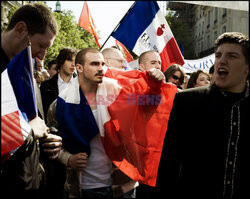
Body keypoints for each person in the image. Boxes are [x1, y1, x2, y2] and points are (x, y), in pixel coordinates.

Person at [55, 47, 167, 199]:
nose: (101, 68)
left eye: (102, 64)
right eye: (94, 64)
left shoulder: (118, 91)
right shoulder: (60, 104)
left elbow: (149, 106)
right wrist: (67, 158)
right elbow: (52, 144)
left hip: (122, 186)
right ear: (79, 68)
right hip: (82, 188)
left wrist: (155, 86)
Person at [156, 32, 249, 198]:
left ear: (247, 67)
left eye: (232, 56)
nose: (222, 60)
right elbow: (169, 163)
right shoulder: (187, 100)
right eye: (218, 55)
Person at [1, 3, 62, 198]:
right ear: (20, 29)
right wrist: (28, 130)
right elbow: (25, 125)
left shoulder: (28, 72)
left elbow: (35, 118)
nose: (42, 55)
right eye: (41, 46)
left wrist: (49, 135)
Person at [102, 48, 138, 198]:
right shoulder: (86, 94)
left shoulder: (131, 91)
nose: (125, 66)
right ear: (107, 63)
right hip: (97, 179)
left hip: (126, 181)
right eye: (121, 63)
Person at [40, 47, 77, 123]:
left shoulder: (82, 85)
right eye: (69, 60)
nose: (73, 64)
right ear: (61, 61)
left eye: (75, 61)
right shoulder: (46, 86)